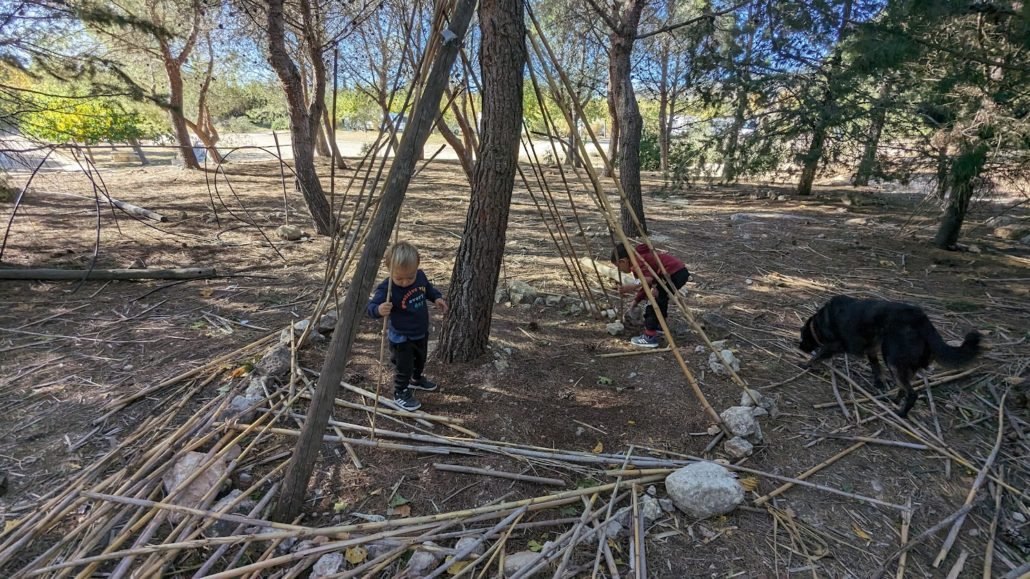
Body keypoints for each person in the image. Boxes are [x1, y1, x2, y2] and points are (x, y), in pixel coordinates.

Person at [367, 241, 449, 411]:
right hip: (401, 336)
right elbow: (370, 308)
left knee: (420, 359)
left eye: (409, 277)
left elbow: (428, 289)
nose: (405, 282)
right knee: (404, 367)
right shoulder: (386, 288)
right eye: (399, 278)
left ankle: (416, 380)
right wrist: (379, 310)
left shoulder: (420, 276)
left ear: (417, 267)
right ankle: (400, 392)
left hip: (420, 330)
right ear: (389, 270)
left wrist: (437, 298)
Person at [611, 242, 690, 348]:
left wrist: (630, 286)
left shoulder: (637, 263)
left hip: (673, 273)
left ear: (623, 261)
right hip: (678, 272)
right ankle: (659, 326)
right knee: (660, 297)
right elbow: (646, 285)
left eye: (618, 266)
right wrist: (636, 300)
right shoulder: (639, 259)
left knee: (653, 302)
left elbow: (648, 279)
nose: (619, 270)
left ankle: (649, 336)